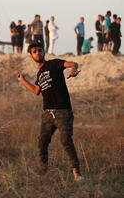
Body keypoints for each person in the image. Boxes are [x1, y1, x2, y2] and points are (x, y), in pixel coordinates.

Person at [17, 42, 84, 182]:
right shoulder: (40, 74)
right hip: (48, 114)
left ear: (44, 52)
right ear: (31, 55)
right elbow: (36, 91)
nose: (38, 53)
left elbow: (72, 63)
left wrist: (74, 69)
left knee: (65, 140)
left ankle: (77, 171)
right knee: (42, 142)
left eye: (40, 50)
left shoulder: (53, 64)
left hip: (62, 111)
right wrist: (23, 80)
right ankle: (44, 172)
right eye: (35, 51)